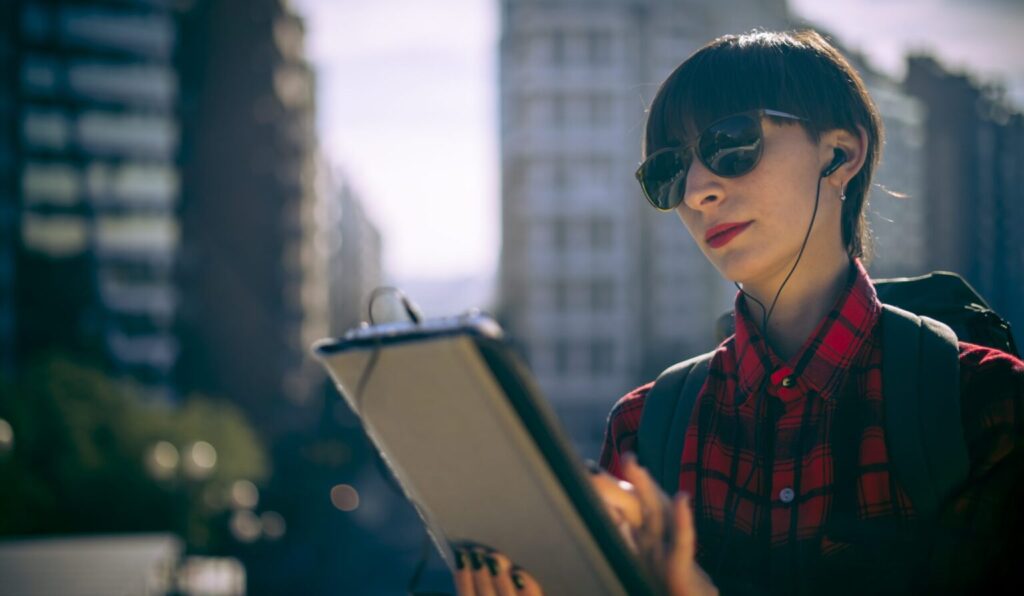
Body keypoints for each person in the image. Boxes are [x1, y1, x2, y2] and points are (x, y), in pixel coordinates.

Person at [452, 29, 1024, 595]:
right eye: (669, 171)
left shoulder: (984, 404)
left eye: (730, 144)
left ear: (840, 153)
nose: (699, 189)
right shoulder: (643, 428)